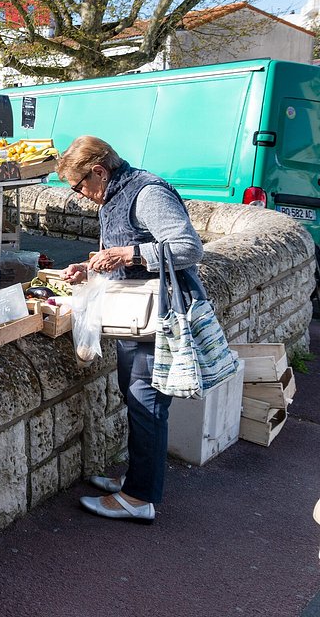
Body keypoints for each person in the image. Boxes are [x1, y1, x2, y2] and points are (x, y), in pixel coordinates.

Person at [58, 135, 203, 524]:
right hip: (134, 312)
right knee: (137, 396)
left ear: (100, 171)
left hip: (157, 314)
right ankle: (138, 480)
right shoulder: (116, 195)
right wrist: (89, 267)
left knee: (145, 401)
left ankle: (139, 497)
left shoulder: (146, 193)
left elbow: (189, 247)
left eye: (79, 187)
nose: (81, 196)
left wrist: (128, 253)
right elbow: (123, 251)